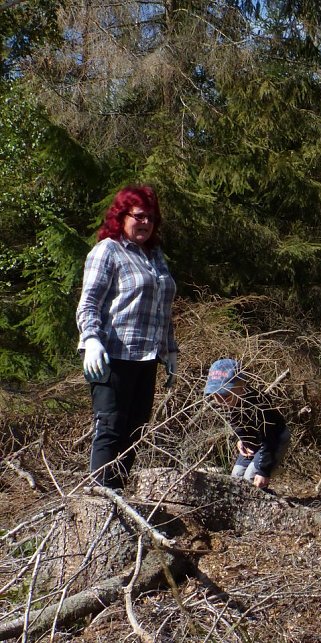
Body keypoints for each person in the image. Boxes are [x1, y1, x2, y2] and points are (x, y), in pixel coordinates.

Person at [76, 185, 178, 490]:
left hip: (147, 357)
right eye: (139, 216)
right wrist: (91, 339)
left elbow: (164, 307)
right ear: (121, 216)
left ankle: (118, 496)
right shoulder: (108, 250)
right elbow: (89, 302)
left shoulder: (155, 256)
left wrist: (170, 351)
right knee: (110, 427)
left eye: (151, 218)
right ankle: (100, 499)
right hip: (112, 356)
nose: (145, 223)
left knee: (135, 431)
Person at [204, 358, 289, 490]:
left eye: (226, 395)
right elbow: (241, 426)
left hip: (274, 441)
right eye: (216, 395)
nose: (221, 401)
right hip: (253, 443)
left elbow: (269, 440)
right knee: (236, 477)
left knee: (251, 478)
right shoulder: (229, 405)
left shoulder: (257, 406)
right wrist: (242, 440)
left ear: (242, 386)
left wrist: (264, 471)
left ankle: (265, 503)